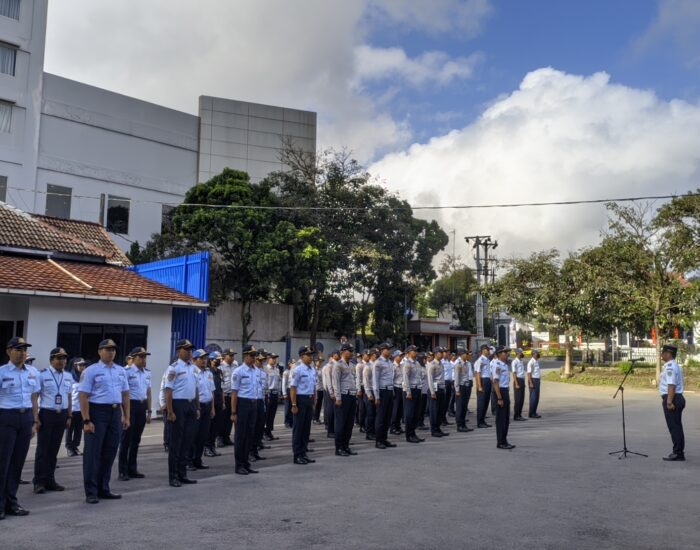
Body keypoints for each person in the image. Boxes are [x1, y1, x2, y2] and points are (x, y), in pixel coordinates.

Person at [79, 339, 130, 503]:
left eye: (113, 350)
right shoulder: (91, 371)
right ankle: (91, 491)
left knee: (109, 452)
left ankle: (104, 488)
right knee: (93, 453)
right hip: (97, 412)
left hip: (115, 412)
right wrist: (86, 420)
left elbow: (125, 394)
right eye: (107, 349)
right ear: (99, 351)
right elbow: (83, 396)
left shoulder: (121, 370)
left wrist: (126, 416)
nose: (111, 352)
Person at [0, 337, 39, 519]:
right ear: (8, 351)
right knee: (3, 462)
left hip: (25, 418)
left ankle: (11, 502)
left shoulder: (32, 372)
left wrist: (34, 420)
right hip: (6, 417)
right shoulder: (2, 372)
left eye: (24, 349)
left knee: (17, 463)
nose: (22, 353)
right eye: (18, 349)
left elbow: (33, 398)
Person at [34, 347, 73, 493]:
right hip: (47, 414)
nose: (62, 361)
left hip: (61, 415)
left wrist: (69, 416)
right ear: (51, 360)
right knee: (43, 450)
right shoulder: (42, 375)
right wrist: (36, 417)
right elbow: (35, 397)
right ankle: (38, 481)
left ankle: (50, 480)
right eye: (58, 358)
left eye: (64, 358)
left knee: (54, 449)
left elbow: (68, 397)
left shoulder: (68, 376)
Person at [164, 339, 200, 488]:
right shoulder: (173, 368)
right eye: (187, 349)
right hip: (178, 405)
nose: (190, 352)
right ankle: (173, 476)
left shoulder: (193, 368)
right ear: (179, 351)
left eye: (191, 349)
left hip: (191, 404)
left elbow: (196, 389)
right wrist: (170, 411)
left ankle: (183, 474)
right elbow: (168, 391)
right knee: (176, 443)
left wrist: (197, 407)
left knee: (187, 441)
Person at [118, 346, 152, 481]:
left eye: (145, 357)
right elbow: (122, 393)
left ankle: (132, 468)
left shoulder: (147, 373)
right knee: (126, 440)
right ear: (132, 358)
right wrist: (123, 413)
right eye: (141, 357)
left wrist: (149, 411)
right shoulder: (126, 372)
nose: (144, 359)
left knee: (136, 440)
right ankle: (122, 470)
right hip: (130, 406)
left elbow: (148, 392)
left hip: (141, 406)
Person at [230, 345, 260, 475]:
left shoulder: (256, 371)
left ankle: (246, 463)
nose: (254, 358)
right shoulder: (239, 371)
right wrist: (233, 412)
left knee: (249, 435)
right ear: (245, 356)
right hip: (242, 403)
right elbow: (234, 393)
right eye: (251, 356)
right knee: (240, 436)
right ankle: (239, 465)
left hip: (253, 403)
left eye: (255, 356)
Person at [290, 346, 316, 465]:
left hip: (309, 399)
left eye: (311, 355)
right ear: (301, 356)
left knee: (306, 429)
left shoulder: (312, 369)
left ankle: (304, 452)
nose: (311, 357)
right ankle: (297, 455)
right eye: (308, 355)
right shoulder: (298, 370)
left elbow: (314, 387)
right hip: (300, 399)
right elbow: (293, 388)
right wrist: (294, 404)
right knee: (298, 429)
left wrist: (314, 401)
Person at [659, 344, 685, 461]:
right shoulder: (675, 366)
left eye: (663, 352)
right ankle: (679, 451)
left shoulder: (670, 367)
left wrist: (669, 401)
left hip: (672, 398)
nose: (662, 354)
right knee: (677, 426)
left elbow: (671, 385)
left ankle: (678, 453)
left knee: (674, 427)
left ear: (668, 354)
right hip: (677, 397)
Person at [190, 349, 215, 471]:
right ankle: (189, 461)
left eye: (205, 358)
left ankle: (197, 460)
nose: (204, 361)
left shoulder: (209, 373)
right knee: (193, 435)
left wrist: (213, 408)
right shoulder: (192, 372)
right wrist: (197, 407)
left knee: (203, 435)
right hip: (196, 406)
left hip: (207, 405)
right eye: (201, 358)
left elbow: (212, 391)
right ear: (194, 360)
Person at [332, 343, 358, 456]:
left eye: (352, 351)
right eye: (349, 350)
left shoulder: (352, 365)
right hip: (343, 396)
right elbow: (335, 382)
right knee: (341, 423)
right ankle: (339, 448)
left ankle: (346, 446)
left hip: (352, 396)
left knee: (349, 423)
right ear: (342, 351)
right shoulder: (338, 365)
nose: (351, 353)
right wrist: (338, 398)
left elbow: (354, 380)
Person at [372, 343, 395, 449]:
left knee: (387, 417)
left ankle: (384, 439)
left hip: (389, 391)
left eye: (390, 349)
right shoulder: (378, 363)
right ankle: (379, 440)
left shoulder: (390, 362)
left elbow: (391, 379)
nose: (389, 351)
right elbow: (375, 381)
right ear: (382, 350)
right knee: (381, 417)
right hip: (382, 391)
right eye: (387, 349)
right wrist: (376, 396)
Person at [491, 347, 515, 450]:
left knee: (505, 419)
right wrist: (499, 398)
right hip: (500, 392)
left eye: (507, 352)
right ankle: (500, 442)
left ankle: (504, 440)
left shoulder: (504, 364)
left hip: (505, 391)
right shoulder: (497, 364)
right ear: (499, 353)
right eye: (505, 352)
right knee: (501, 419)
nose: (507, 354)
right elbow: (495, 382)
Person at [401, 345, 424, 443]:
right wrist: (408, 391)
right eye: (413, 351)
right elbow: (405, 378)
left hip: (417, 389)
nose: (416, 352)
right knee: (409, 414)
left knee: (416, 413)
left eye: (416, 351)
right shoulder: (407, 364)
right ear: (409, 352)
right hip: (410, 390)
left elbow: (420, 377)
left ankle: (413, 433)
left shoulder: (417, 363)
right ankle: (409, 435)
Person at [65, 358, 87, 457]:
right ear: (75, 366)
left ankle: (75, 446)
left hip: (81, 409)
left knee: (78, 430)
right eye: (80, 365)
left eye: (83, 365)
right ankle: (69, 447)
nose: (82, 367)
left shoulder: (85, 377)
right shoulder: (70, 378)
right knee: (70, 430)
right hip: (72, 408)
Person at [426, 347, 449, 437]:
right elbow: (430, 379)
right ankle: (434, 430)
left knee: (440, 410)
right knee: (434, 411)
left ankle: (438, 428)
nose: (443, 354)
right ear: (436, 353)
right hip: (434, 390)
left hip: (441, 388)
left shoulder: (441, 364)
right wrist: (432, 392)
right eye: (441, 352)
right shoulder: (432, 364)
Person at [205, 352, 223, 457]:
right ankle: (207, 447)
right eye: (218, 359)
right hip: (211, 401)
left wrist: (224, 402)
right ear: (212, 360)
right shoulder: (208, 372)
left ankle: (212, 446)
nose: (220, 361)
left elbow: (221, 388)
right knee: (209, 426)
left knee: (216, 426)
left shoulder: (219, 371)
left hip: (219, 401)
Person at [217, 349, 236, 447]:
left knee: (230, 418)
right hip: (224, 396)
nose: (233, 357)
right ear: (225, 356)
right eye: (230, 355)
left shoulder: (235, 366)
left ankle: (226, 436)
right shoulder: (220, 367)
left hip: (233, 396)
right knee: (222, 418)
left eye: (233, 355)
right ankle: (219, 437)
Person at [453, 348, 474, 433]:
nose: (467, 355)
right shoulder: (458, 364)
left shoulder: (466, 363)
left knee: (464, 407)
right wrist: (457, 390)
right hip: (461, 387)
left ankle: (463, 424)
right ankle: (459, 426)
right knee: (460, 407)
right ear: (461, 354)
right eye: (466, 353)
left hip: (466, 386)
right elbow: (457, 378)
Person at [474, 344, 492, 428]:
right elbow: (478, 373)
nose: (488, 351)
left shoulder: (487, 360)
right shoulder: (480, 360)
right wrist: (479, 385)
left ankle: (483, 420)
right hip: (482, 381)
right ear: (483, 350)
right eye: (487, 349)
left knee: (486, 402)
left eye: (488, 349)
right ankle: (479, 422)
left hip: (487, 381)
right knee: (481, 403)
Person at [265, 353, 282, 441]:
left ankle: (269, 431)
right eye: (272, 358)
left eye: (275, 358)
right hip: (269, 394)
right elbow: (266, 383)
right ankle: (265, 432)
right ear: (268, 359)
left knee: (272, 414)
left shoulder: (277, 369)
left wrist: (279, 393)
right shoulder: (266, 369)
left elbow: (278, 382)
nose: (274, 360)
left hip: (275, 393)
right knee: (267, 414)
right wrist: (267, 394)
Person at [322, 352, 338, 439]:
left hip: (333, 390)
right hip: (329, 391)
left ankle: (333, 429)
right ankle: (330, 430)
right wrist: (331, 392)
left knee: (334, 412)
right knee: (330, 411)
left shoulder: (335, 365)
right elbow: (328, 381)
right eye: (335, 356)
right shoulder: (328, 366)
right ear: (331, 357)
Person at [362, 348, 377, 441]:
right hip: (370, 392)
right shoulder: (368, 367)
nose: (377, 356)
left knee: (375, 414)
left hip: (375, 392)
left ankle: (374, 432)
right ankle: (369, 433)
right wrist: (369, 394)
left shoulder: (376, 366)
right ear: (371, 356)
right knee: (370, 414)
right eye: (375, 355)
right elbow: (366, 382)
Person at [390, 350, 404, 437]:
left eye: (401, 356)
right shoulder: (393, 366)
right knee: (395, 409)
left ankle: (398, 426)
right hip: (396, 388)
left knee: (400, 409)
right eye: (399, 356)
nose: (401, 357)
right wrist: (393, 392)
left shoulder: (402, 366)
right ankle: (393, 427)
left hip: (402, 388)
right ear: (395, 357)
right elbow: (391, 380)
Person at [511, 349, 527, 421]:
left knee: (521, 399)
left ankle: (519, 414)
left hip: (522, 380)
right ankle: (516, 415)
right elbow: (514, 373)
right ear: (517, 353)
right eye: (521, 352)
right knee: (518, 399)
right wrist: (516, 383)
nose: (522, 354)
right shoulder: (514, 362)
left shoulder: (521, 361)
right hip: (517, 380)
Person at [355, 351, 368, 433]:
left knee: (368, 407)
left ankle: (367, 424)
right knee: (362, 407)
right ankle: (362, 425)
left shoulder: (370, 364)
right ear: (363, 356)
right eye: (367, 355)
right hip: (362, 387)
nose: (368, 356)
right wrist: (359, 389)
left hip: (368, 387)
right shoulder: (359, 365)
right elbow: (358, 378)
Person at [527, 350, 542, 419]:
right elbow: (529, 373)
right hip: (533, 380)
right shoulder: (531, 362)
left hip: (537, 380)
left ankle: (534, 412)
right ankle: (531, 413)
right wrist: (530, 382)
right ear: (533, 354)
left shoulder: (536, 361)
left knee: (536, 397)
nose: (538, 354)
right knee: (533, 398)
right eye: (537, 353)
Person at [442, 351, 455, 424]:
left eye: (448, 353)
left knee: (447, 401)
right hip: (444, 383)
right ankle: (441, 419)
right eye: (445, 353)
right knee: (443, 402)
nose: (447, 354)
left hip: (449, 382)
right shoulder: (441, 362)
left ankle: (444, 419)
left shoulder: (448, 362)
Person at [282, 360, 294, 428]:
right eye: (292, 363)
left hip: (293, 390)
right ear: (289, 364)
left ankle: (291, 421)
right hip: (288, 390)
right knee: (287, 407)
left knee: (293, 406)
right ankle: (287, 422)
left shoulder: (295, 371)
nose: (293, 364)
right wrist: (284, 393)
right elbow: (284, 383)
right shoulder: (286, 372)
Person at [312, 357, 324, 424]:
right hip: (316, 389)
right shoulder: (314, 370)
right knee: (316, 404)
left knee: (319, 404)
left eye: (321, 362)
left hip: (321, 389)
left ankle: (317, 417)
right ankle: (314, 418)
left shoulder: (322, 369)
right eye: (318, 362)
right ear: (315, 362)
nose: (320, 363)